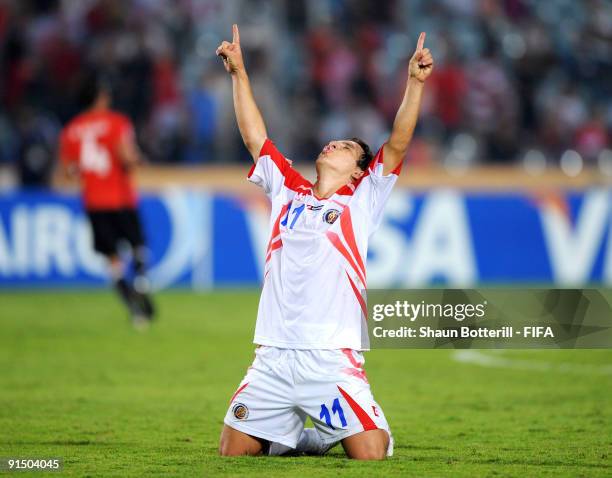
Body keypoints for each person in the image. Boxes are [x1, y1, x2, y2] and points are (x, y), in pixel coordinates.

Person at [217, 25, 433, 460]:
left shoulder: (362, 198)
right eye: (335, 141)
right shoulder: (288, 189)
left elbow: (399, 144)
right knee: (232, 453)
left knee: (372, 453)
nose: (335, 143)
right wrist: (239, 74)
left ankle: (329, 432)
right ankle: (300, 437)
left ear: (358, 171)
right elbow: (254, 137)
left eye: (348, 147)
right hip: (274, 356)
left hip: (331, 359)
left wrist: (413, 83)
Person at [59, 73, 155, 328]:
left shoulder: (72, 130)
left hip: (94, 201)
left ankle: (135, 310)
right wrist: (139, 160)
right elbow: (126, 156)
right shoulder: (116, 122)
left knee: (112, 258)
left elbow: (68, 172)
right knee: (138, 246)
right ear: (101, 97)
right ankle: (142, 285)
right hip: (121, 198)